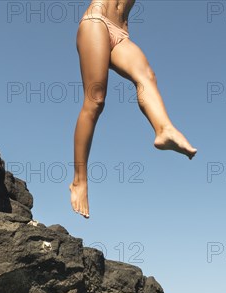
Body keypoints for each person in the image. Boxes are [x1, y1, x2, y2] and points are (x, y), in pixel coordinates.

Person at [70, 0, 197, 218]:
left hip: (121, 34)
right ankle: (79, 180)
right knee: (95, 101)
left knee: (147, 76)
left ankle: (164, 130)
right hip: (96, 23)